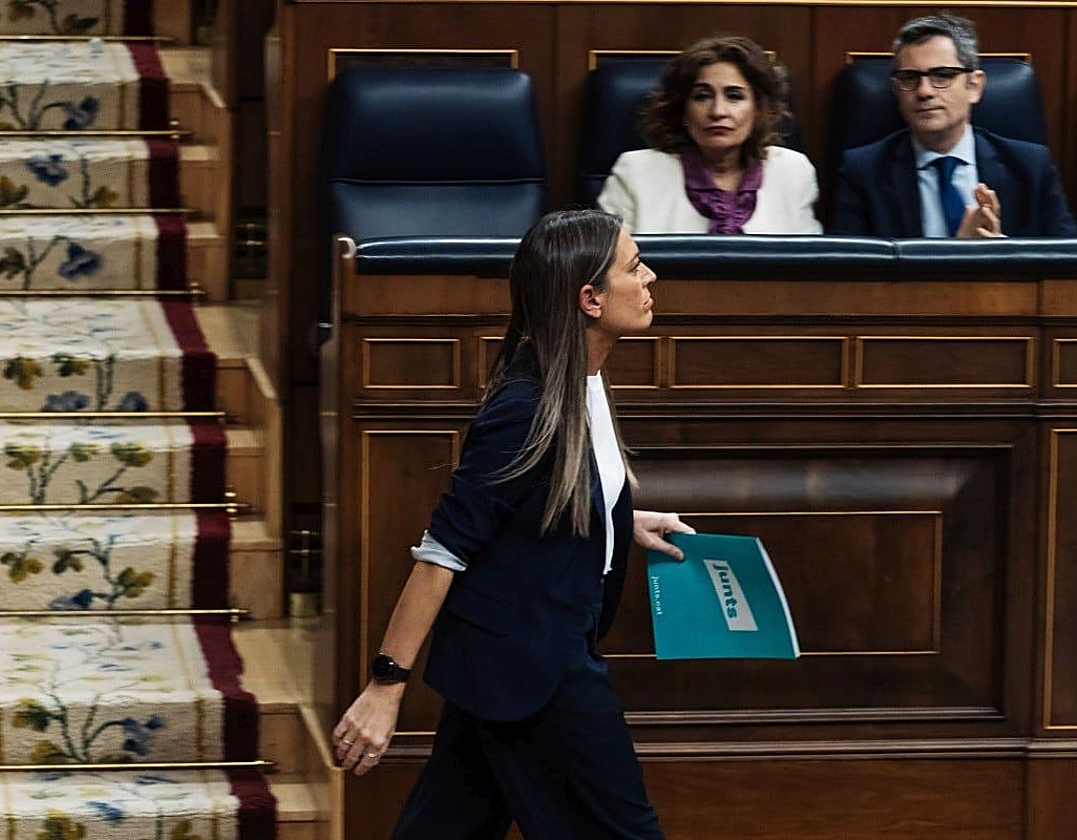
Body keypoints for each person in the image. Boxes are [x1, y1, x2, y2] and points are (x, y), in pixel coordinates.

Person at [331, 208, 695, 839]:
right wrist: (384, 687)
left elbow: (545, 496)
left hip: (508, 657)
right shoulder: (526, 408)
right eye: (634, 266)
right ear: (589, 298)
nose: (650, 277)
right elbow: (443, 551)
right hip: (536, 665)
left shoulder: (584, 379)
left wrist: (620, 520)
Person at [831, 13, 1077, 238]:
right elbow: (849, 277)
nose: (924, 91)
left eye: (942, 76)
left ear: (974, 86)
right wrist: (961, 251)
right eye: (909, 78)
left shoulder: (1030, 168)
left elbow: (1066, 266)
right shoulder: (864, 173)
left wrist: (1004, 254)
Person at [597, 35, 821, 235]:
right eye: (702, 96)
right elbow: (610, 270)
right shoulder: (636, 173)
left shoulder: (793, 172)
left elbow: (813, 272)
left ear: (758, 109)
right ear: (682, 108)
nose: (718, 112)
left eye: (734, 96)